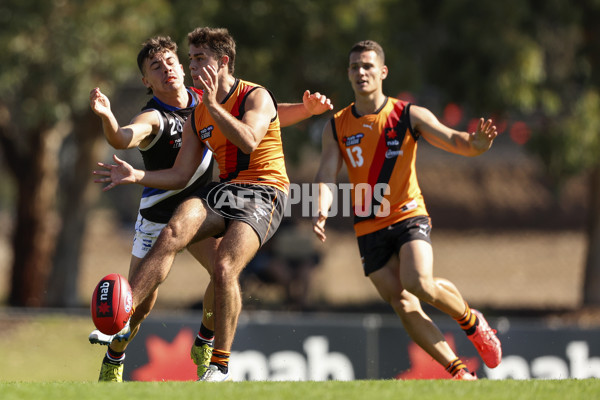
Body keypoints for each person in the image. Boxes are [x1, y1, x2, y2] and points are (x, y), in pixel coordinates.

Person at [89, 34, 332, 382]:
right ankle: (119, 329)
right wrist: (133, 168)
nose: (184, 66)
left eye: (191, 59)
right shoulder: (164, 116)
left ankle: (215, 358)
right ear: (147, 81)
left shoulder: (241, 97)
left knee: (223, 267)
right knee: (160, 265)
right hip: (176, 206)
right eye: (188, 59)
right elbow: (169, 167)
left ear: (223, 62)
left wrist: (307, 110)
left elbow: (253, 132)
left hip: (261, 192)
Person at [312, 40, 501, 380]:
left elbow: (452, 138)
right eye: (354, 67)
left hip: (407, 214)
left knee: (419, 283)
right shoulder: (337, 125)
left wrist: (476, 145)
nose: (361, 72)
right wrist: (322, 210)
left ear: (383, 72)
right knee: (402, 303)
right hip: (367, 226)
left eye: (368, 66)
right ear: (348, 74)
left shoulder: (407, 114)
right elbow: (327, 174)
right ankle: (459, 373)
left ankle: (473, 324)